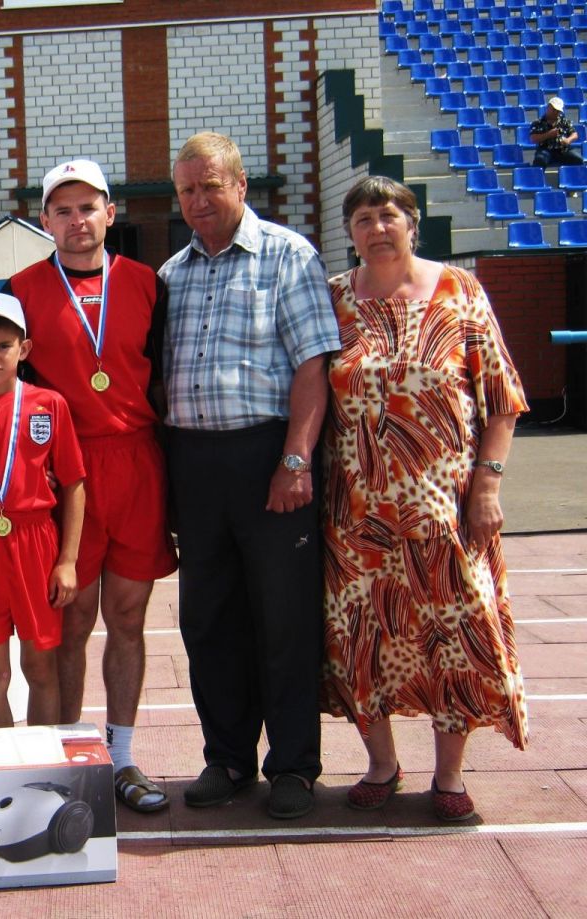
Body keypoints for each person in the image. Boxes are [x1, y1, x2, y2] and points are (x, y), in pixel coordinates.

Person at [323, 176, 529, 821]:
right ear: (349, 232)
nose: (377, 228)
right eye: (363, 219)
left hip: (445, 506)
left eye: (388, 215)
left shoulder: (459, 291)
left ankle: (449, 774)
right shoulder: (333, 298)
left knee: (455, 634)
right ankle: (382, 764)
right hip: (356, 510)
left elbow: (501, 398)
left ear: (413, 224)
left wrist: (488, 485)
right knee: (362, 634)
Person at [158, 131, 340, 820]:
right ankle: (228, 757)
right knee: (208, 620)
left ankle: (292, 765)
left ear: (240, 184)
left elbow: (313, 365)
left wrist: (295, 459)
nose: (198, 200)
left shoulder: (289, 255)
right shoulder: (171, 274)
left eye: (210, 185)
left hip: (269, 459)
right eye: (186, 190)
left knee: (284, 619)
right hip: (194, 463)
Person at [4, 159, 177, 814]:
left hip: (136, 462)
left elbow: (163, 378)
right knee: (72, 620)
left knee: (127, 618)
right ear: (45, 220)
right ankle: (71, 759)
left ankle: (123, 756)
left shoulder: (147, 283)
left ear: (110, 212)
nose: (77, 221)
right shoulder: (21, 290)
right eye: (63, 210)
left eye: (88, 207)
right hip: (67, 473)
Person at [0, 293, 86, 728]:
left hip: (36, 542)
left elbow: (74, 483)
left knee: (40, 669)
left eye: (4, 346)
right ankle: (2, 763)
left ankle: (43, 760)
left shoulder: (49, 405)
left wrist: (68, 560)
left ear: (24, 349)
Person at [530, 96, 583, 168]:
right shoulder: (538, 123)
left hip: (563, 150)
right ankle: (537, 175)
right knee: (540, 160)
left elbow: (574, 134)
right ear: (548, 107)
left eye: (558, 111)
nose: (556, 112)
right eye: (554, 110)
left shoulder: (564, 121)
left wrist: (568, 140)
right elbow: (533, 139)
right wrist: (549, 134)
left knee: (578, 159)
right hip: (545, 149)